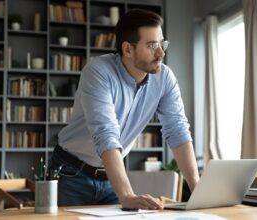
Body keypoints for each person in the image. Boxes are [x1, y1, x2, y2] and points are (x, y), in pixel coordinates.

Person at [49, 9, 199, 210]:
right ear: (127, 49)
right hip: (71, 173)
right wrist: (127, 195)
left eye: (162, 43)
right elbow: (105, 132)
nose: (161, 53)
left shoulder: (165, 78)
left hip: (111, 176)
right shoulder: (98, 72)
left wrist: (198, 190)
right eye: (152, 45)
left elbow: (178, 130)